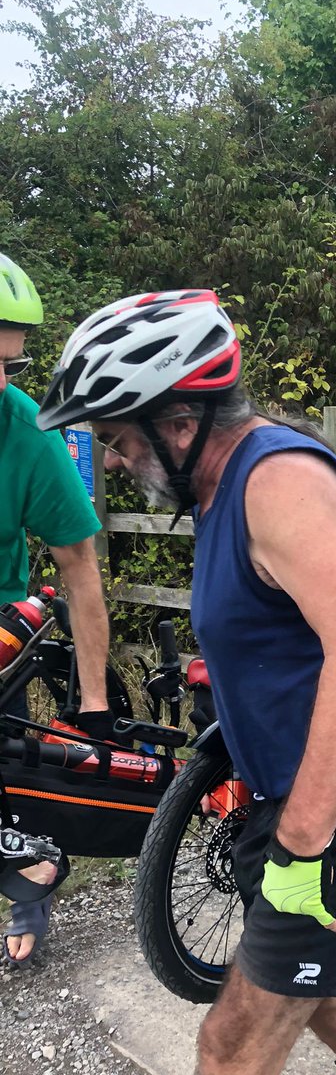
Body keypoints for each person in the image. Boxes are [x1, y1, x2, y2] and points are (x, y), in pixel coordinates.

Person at [37, 288, 336, 1075]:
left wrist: (300, 848)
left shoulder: (278, 483)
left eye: (118, 435)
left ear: (180, 421)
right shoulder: (225, 485)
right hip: (294, 795)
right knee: (309, 965)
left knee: (229, 1051)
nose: (113, 455)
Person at [0, 251, 112, 967]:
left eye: (10, 367)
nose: (0, 382)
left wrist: (96, 702)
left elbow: (79, 566)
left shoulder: (26, 431)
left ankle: (34, 862)